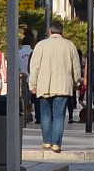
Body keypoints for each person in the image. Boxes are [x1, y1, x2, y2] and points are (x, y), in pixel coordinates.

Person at [29, 17, 82, 153]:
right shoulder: (69, 45)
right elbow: (76, 66)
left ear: (50, 31)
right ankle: (56, 143)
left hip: (44, 84)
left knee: (45, 114)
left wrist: (32, 84)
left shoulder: (40, 45)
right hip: (63, 85)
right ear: (62, 32)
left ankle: (47, 141)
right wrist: (77, 82)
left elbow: (34, 66)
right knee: (59, 115)